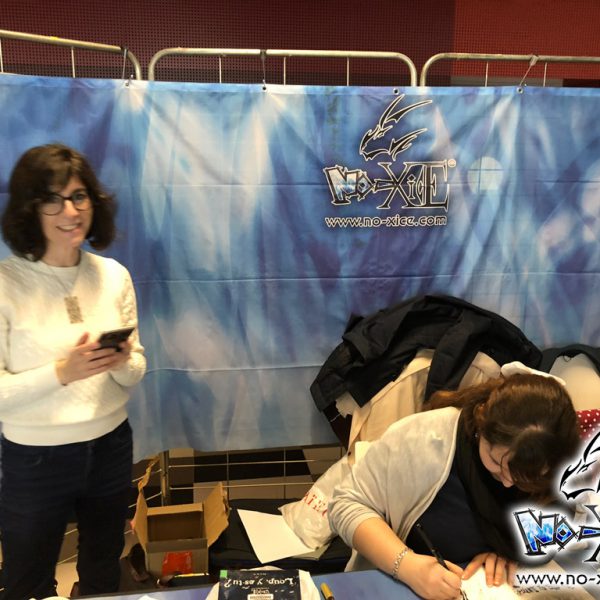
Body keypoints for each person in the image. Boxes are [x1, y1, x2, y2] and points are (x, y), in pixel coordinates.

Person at [0, 143, 146, 599]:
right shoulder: (6, 284)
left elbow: (136, 369)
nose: (70, 211)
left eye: (79, 196)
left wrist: (121, 362)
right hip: (34, 459)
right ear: (30, 208)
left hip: (110, 448)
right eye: (53, 199)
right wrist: (63, 372)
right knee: (27, 582)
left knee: (104, 574)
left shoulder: (114, 276)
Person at [328, 366, 580, 600]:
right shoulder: (424, 438)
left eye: (526, 477)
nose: (507, 482)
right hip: (395, 586)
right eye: (495, 461)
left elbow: (553, 535)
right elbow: (346, 504)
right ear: (481, 425)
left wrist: (508, 554)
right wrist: (406, 565)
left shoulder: (558, 475)